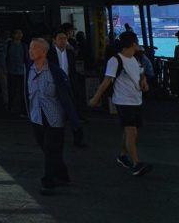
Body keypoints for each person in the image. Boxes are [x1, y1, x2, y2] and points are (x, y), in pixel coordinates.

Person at [89, 30, 151, 177]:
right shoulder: (115, 60)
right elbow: (106, 82)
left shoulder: (135, 59)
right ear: (133, 44)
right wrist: (96, 98)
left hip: (136, 100)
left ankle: (123, 155)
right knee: (131, 131)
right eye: (137, 42)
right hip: (124, 101)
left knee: (130, 131)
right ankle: (136, 163)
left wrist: (144, 81)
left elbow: (141, 72)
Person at [26, 38, 80, 195]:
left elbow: (66, 96)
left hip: (54, 118)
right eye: (30, 47)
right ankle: (63, 175)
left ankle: (48, 181)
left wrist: (74, 119)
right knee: (48, 149)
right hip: (36, 117)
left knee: (50, 149)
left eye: (34, 48)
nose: (30, 51)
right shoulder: (29, 71)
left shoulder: (55, 72)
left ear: (44, 52)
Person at [47, 28, 86, 147]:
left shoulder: (70, 53)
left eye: (65, 38)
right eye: (60, 39)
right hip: (55, 86)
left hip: (68, 86)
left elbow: (72, 70)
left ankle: (77, 137)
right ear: (54, 40)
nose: (63, 41)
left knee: (70, 111)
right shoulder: (49, 54)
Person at [6, 29, 29, 116]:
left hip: (22, 72)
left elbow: (27, 59)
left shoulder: (24, 46)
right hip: (11, 71)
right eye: (17, 33)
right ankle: (12, 109)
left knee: (23, 91)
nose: (19, 35)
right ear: (13, 35)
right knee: (12, 91)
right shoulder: (8, 45)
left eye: (21, 33)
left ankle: (23, 109)